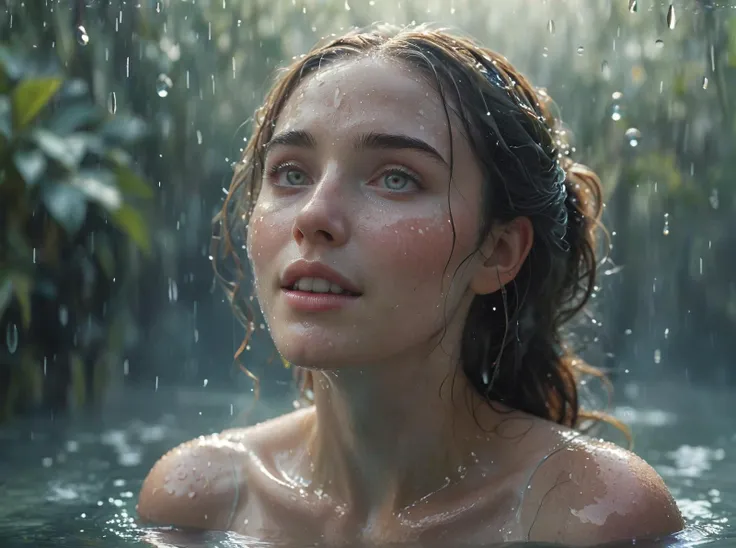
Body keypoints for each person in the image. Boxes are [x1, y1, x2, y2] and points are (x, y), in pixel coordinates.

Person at [137, 24, 685, 546]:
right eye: (291, 173)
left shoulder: (590, 513)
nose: (313, 216)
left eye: (396, 178)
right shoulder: (198, 501)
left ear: (497, 252)